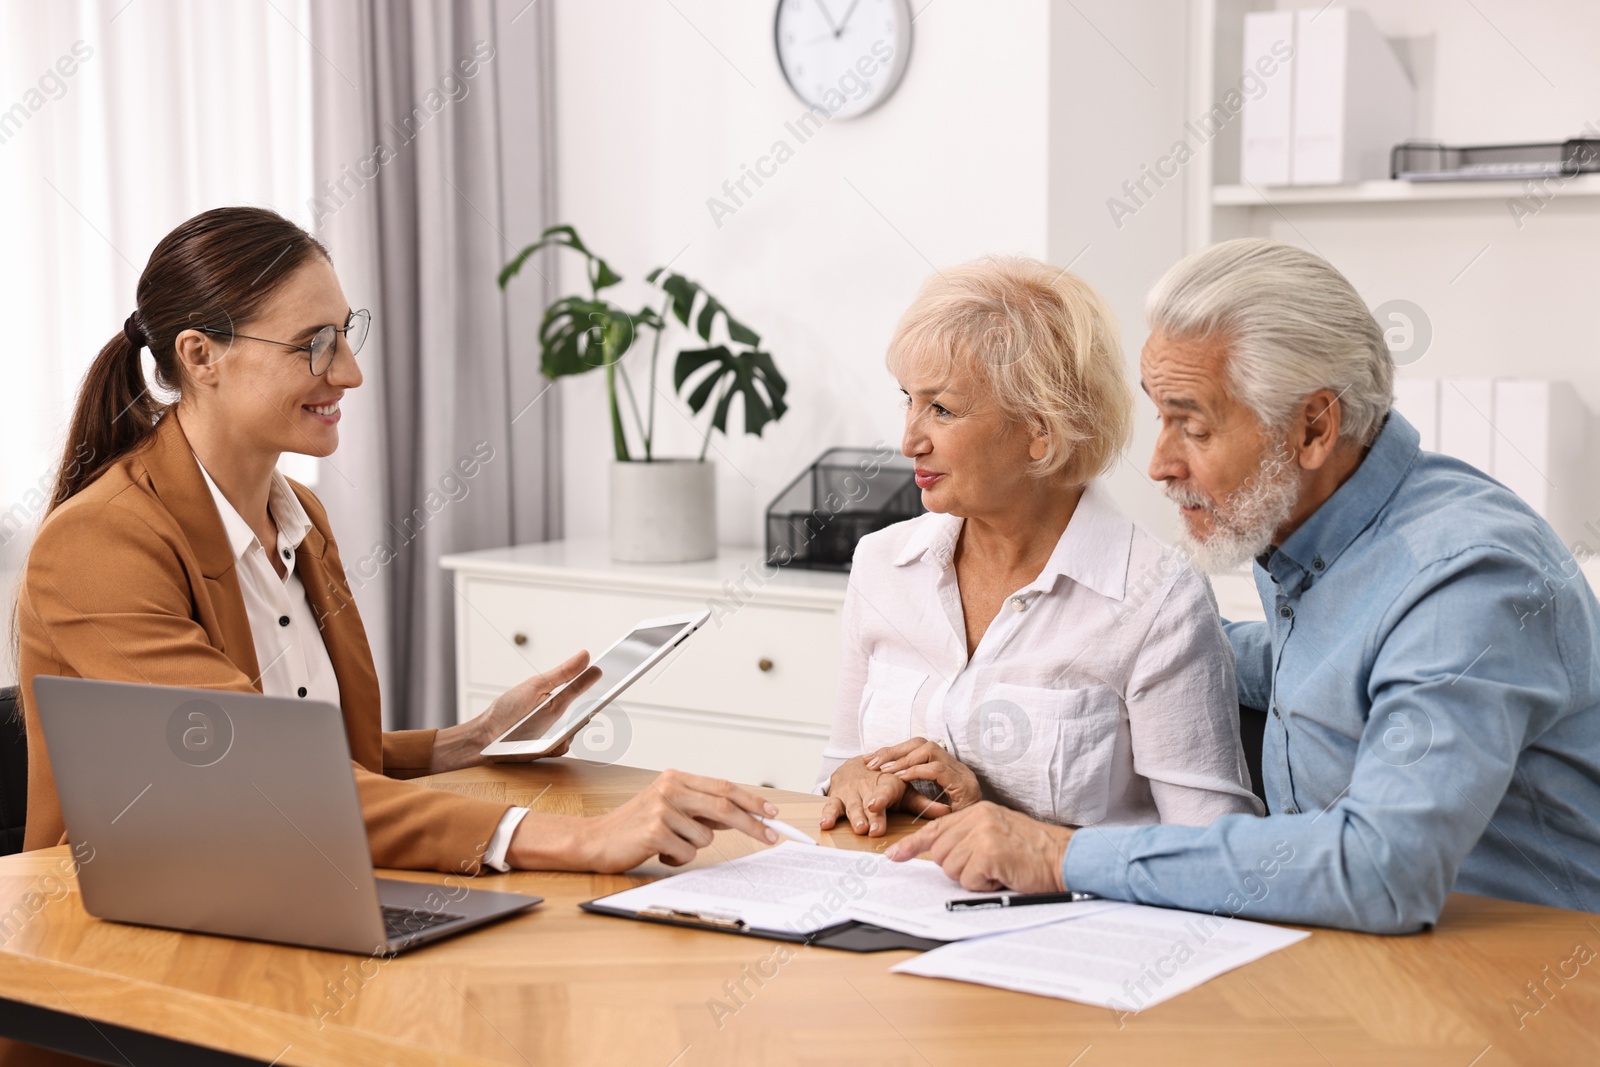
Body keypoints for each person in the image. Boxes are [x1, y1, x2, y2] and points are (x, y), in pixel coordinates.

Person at [15, 207, 782, 879]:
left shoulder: (300, 518)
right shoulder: (98, 543)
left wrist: (470, 740)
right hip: (135, 942)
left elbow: (311, 749)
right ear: (200, 355)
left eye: (346, 334)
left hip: (295, 884)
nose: (348, 372)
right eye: (314, 344)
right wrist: (573, 838)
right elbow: (257, 767)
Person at [886, 239, 1600, 933]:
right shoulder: (1319, 534)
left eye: (1191, 425)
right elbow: (1319, 663)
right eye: (1160, 417)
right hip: (1343, 962)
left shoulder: (1465, 577)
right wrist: (1118, 630)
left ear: (1313, 426)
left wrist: (1060, 852)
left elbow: (1382, 869)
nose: (1160, 463)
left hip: (1518, 998)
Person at [816, 256, 1262, 838]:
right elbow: (835, 776)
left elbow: (1210, 852)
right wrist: (851, 779)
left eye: (942, 409)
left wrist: (996, 824)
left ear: (1040, 428)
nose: (908, 440)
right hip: (885, 913)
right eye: (908, 398)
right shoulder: (881, 564)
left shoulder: (1156, 598)